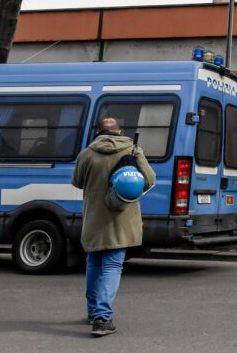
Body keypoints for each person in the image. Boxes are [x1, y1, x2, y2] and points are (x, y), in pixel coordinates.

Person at [71, 117, 156, 338]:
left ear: (98, 132)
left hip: (94, 218)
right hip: (122, 220)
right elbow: (149, 179)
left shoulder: (87, 153)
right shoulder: (134, 150)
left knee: (93, 264)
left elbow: (78, 182)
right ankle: (102, 318)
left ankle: (93, 313)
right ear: (120, 131)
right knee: (112, 266)